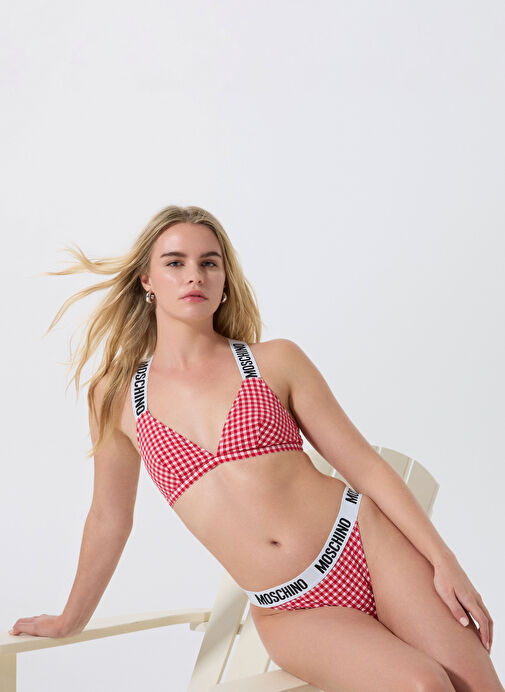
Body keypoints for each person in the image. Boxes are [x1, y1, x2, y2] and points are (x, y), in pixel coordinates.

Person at [8, 205, 503, 691]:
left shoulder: (274, 361)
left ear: (225, 280)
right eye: (175, 262)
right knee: (422, 685)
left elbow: (366, 468)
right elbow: (109, 517)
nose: (194, 275)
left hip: (369, 544)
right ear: (146, 280)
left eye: (209, 263)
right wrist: (70, 618)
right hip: (289, 608)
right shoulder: (116, 397)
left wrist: (446, 562)